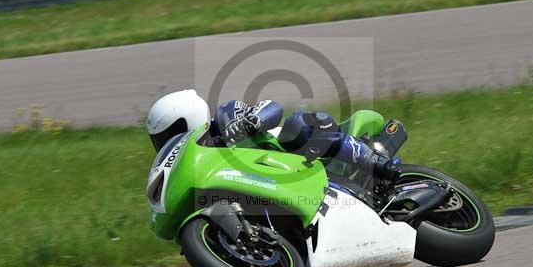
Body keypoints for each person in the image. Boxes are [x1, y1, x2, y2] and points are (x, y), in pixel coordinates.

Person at [146, 89, 400, 180]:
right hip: (275, 184)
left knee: (297, 125)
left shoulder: (226, 116)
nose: (167, 142)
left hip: (299, 157)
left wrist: (251, 122)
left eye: (171, 132)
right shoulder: (196, 162)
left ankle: (374, 161)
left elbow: (272, 107)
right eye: (160, 139)